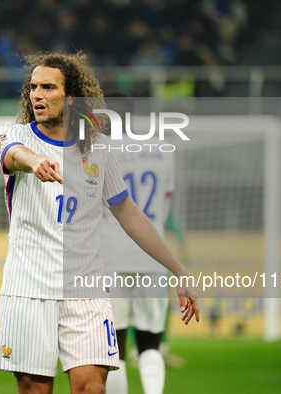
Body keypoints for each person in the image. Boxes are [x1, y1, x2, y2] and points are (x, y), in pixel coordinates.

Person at [0, 52, 199, 394]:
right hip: (28, 289)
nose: (37, 95)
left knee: (92, 387)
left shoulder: (97, 148)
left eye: (48, 87)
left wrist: (178, 269)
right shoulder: (12, 134)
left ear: (71, 96)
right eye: (33, 88)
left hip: (85, 290)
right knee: (35, 389)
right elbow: (13, 154)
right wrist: (34, 160)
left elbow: (130, 214)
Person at [100, 94, 181, 394]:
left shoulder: (98, 149)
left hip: (110, 253)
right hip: (153, 254)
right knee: (150, 341)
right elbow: (166, 201)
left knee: (115, 346)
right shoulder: (162, 149)